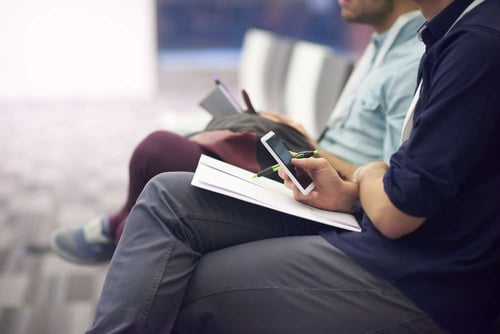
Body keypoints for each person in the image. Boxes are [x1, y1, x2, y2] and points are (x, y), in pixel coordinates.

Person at [86, 0, 500, 333]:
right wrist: (354, 191)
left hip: (425, 276)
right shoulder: (447, 35)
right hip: (386, 228)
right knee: (166, 195)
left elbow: (398, 208)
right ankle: (115, 231)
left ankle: (112, 234)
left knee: (181, 281)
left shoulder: (476, 44)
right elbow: (416, 182)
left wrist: (365, 174)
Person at [50, 1, 425, 264]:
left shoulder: (410, 59)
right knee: (173, 158)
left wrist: (316, 150)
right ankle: (120, 237)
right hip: (311, 166)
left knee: (158, 151)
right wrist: (309, 142)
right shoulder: (380, 46)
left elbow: (391, 175)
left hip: (327, 193)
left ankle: (116, 234)